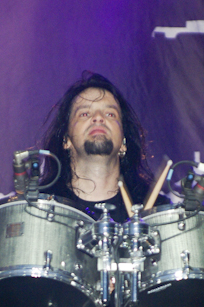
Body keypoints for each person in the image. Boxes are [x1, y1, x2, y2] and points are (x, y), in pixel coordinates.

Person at [40, 72, 170, 223]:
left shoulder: (155, 212)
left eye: (110, 114)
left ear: (123, 143)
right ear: (66, 140)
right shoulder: (42, 208)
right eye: (84, 114)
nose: (98, 117)